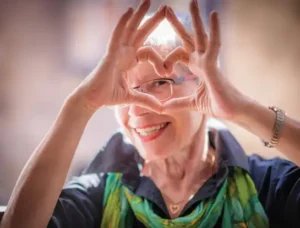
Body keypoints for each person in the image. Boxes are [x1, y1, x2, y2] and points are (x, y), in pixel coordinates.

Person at [1, 0, 300, 227]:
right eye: (124, 91)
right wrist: (79, 107)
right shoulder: (99, 192)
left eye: (159, 82)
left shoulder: (266, 185)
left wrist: (243, 109)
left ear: (205, 84)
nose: (137, 109)